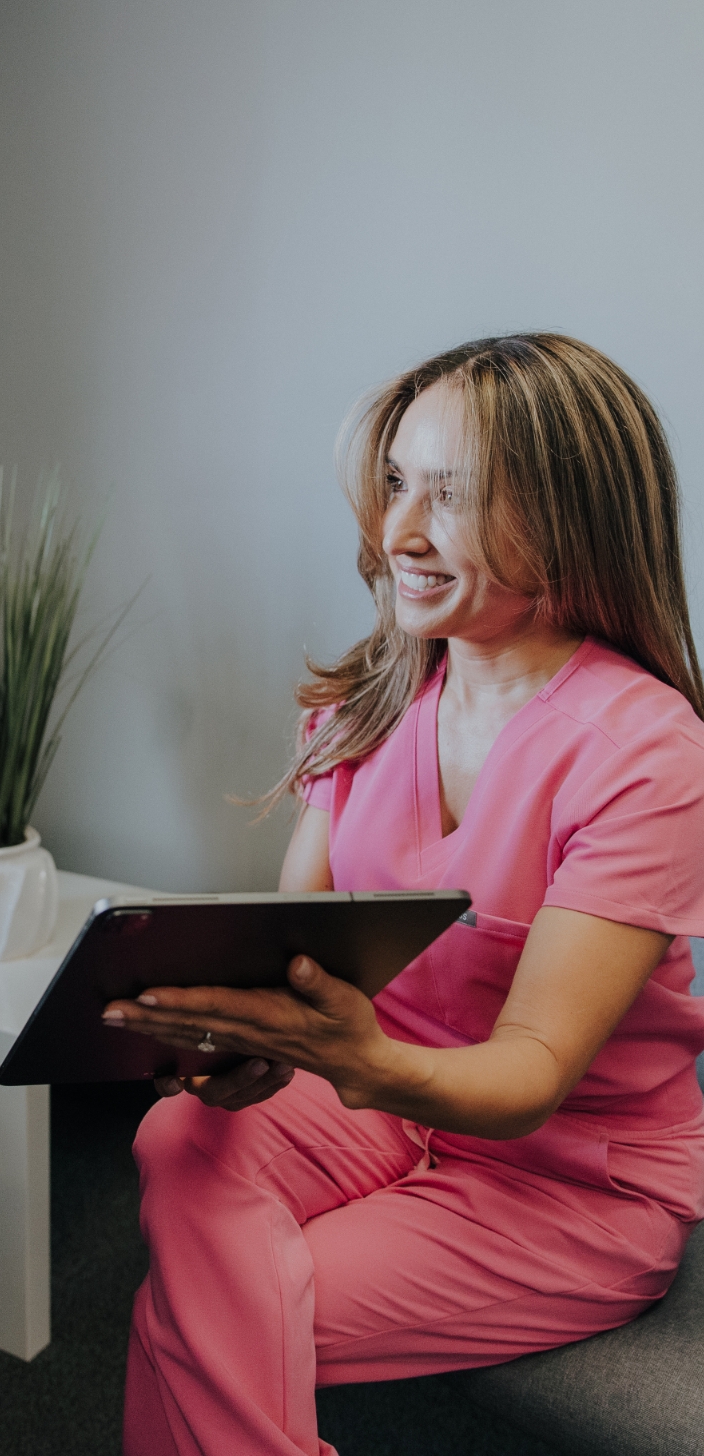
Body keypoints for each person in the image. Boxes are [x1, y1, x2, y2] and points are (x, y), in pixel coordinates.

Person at [104, 335, 704, 1456]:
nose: (398, 533)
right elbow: (294, 955)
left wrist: (353, 1059)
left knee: (201, 1319)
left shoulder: (647, 755)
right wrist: (231, 1031)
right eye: (395, 483)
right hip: (377, 1105)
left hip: (567, 1181)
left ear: (569, 516)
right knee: (177, 1130)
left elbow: (530, 1076)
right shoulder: (367, 705)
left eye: (452, 494)